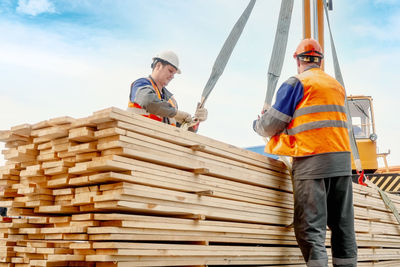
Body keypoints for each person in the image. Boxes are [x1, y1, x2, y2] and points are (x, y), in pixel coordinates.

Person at [253, 39, 357, 267]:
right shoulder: (336, 86)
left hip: (312, 160)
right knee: (343, 226)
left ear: (297, 60)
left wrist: (257, 124)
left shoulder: (297, 83)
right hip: (341, 162)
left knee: (310, 228)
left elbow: (272, 124)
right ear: (320, 61)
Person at [128, 50, 207, 132]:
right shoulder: (141, 84)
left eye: (174, 74)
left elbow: (181, 131)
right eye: (170, 71)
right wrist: (176, 113)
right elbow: (148, 101)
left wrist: (195, 122)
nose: (172, 76)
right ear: (158, 66)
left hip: (158, 143)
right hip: (138, 137)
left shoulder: (171, 101)